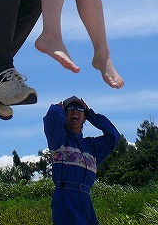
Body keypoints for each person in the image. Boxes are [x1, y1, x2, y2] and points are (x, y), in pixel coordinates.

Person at [44, 96, 120, 225]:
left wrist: (91, 114)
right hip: (65, 197)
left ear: (84, 117)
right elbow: (52, 117)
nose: (75, 111)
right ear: (64, 114)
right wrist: (58, 108)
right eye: (70, 108)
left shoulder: (91, 147)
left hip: (86, 200)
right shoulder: (59, 141)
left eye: (79, 109)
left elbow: (114, 136)